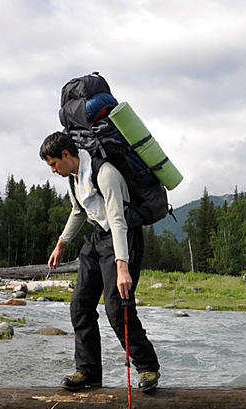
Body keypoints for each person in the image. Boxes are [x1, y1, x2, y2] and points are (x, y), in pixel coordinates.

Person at [41, 131, 160, 392]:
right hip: (96, 239)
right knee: (80, 306)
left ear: (66, 154)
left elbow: (118, 220)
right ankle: (89, 372)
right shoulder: (73, 178)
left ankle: (147, 367)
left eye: (53, 164)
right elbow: (78, 211)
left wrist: (122, 267)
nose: (53, 170)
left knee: (117, 308)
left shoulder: (104, 172)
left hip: (122, 236)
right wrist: (61, 244)